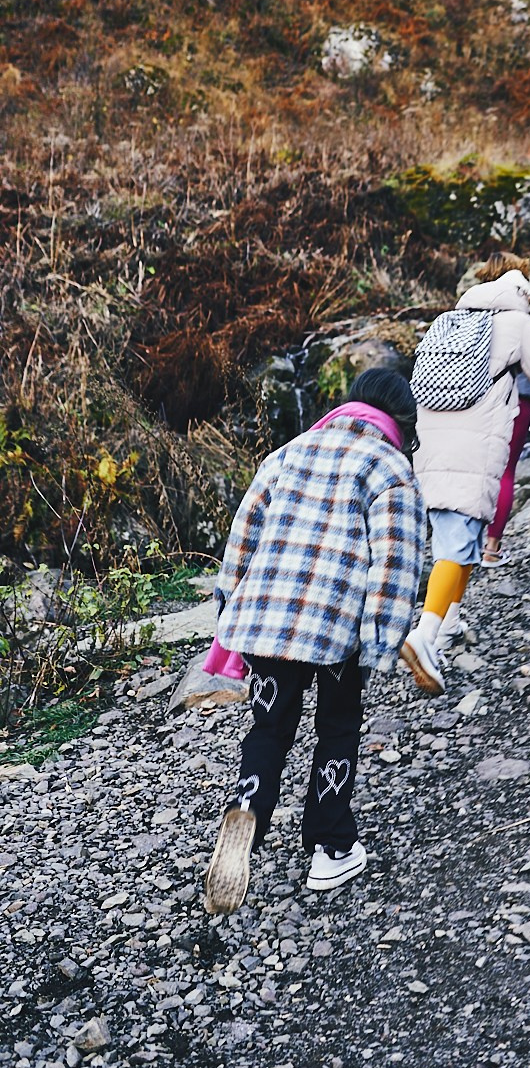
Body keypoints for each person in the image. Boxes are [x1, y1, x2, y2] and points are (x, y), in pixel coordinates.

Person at [204, 368, 425, 916]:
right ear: (402, 424)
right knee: (337, 725)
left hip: (265, 622)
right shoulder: (390, 467)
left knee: (269, 725)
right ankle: (330, 845)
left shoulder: (287, 453)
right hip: (334, 627)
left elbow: (243, 537)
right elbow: (394, 566)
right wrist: (378, 645)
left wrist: (230, 613)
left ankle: (247, 813)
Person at [401, 255, 530, 696]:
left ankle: (449, 621)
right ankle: (425, 635)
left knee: (460, 535)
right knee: (457, 542)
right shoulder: (517, 324)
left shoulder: (447, 322)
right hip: (475, 442)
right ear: (523, 297)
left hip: (430, 441)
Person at [481, 269, 530, 568]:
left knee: (479, 469)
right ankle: (491, 549)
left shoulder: (478, 311)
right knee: (506, 471)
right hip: (521, 398)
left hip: (480, 395)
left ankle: (463, 545)